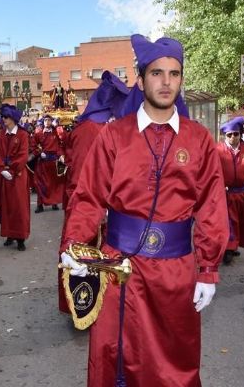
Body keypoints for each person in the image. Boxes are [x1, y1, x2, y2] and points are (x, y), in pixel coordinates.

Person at [60, 34, 228, 387]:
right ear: (141, 79)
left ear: (182, 80)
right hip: (118, 269)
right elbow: (89, 197)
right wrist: (75, 245)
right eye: (156, 73)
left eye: (174, 73)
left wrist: (208, 269)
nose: (166, 82)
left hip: (175, 274)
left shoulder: (198, 140)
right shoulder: (114, 136)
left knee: (174, 364)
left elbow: (212, 205)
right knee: (117, 357)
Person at [57, 71, 129, 314]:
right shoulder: (91, 130)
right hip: (91, 211)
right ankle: (85, 307)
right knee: (85, 263)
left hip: (105, 208)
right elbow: (81, 179)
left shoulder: (100, 127)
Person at [216, 117, 244, 265]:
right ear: (224, 136)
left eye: (236, 134)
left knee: (241, 221)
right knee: (229, 222)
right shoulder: (217, 150)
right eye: (229, 135)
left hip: (242, 192)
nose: (233, 137)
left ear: (240, 134)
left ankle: (234, 245)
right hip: (226, 193)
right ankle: (228, 248)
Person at [0, 104, 30, 251]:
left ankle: (20, 238)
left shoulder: (23, 135)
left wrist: (12, 171)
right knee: (7, 206)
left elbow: (23, 155)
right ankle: (9, 234)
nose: (3, 119)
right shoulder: (1, 135)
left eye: (5, 117)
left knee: (19, 206)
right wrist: (1, 169)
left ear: (13, 119)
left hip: (18, 176)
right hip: (5, 175)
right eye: (2, 117)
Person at [33, 114, 65, 213]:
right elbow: (33, 145)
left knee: (54, 183)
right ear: (43, 122)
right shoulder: (39, 134)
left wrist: (60, 155)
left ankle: (54, 202)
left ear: (52, 121)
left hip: (53, 162)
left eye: (49, 120)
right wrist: (39, 152)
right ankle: (40, 204)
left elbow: (61, 144)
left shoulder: (56, 133)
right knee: (40, 184)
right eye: (46, 120)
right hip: (43, 163)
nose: (47, 122)